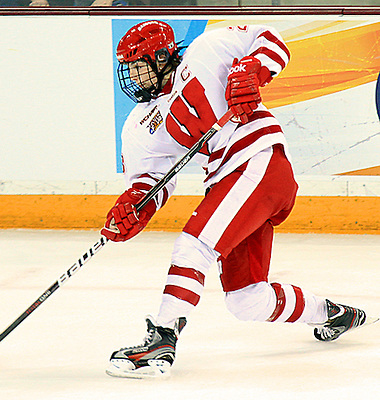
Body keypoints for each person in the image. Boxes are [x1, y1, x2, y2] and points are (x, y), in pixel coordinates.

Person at [101, 20, 375, 379]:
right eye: (129, 69)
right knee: (247, 300)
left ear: (163, 55)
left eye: (139, 66)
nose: (134, 77)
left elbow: (271, 40)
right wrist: (133, 208)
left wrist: (251, 69)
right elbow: (150, 182)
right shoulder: (139, 125)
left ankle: (162, 338)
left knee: (193, 247)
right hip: (229, 181)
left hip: (258, 159)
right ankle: (335, 314)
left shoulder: (206, 50)